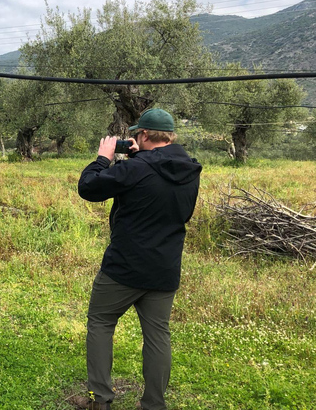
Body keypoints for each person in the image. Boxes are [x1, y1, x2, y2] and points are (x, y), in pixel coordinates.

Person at [75, 109, 202, 410]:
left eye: (136, 135)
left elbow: (88, 187)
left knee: (101, 323)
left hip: (124, 267)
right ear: (169, 136)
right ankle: (154, 405)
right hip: (165, 267)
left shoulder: (136, 169)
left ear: (143, 135)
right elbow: (155, 186)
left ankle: (100, 400)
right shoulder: (190, 170)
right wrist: (136, 158)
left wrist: (104, 158)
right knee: (158, 335)